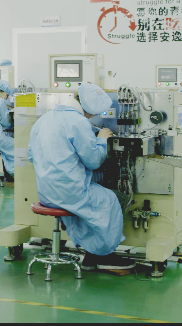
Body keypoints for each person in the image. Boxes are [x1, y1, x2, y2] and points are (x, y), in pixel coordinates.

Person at [29, 84, 135, 272]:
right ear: (90, 110)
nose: (92, 118)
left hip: (46, 192)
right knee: (114, 198)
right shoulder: (79, 122)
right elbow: (94, 161)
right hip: (70, 193)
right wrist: (101, 139)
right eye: (93, 114)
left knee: (89, 206)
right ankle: (104, 255)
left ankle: (90, 255)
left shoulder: (43, 120)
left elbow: (31, 155)